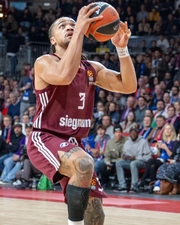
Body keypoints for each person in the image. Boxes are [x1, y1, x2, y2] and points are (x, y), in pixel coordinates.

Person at [27, 7, 137, 225]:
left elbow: (128, 85)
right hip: (46, 137)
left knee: (96, 213)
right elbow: (64, 75)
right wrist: (79, 30)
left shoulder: (90, 69)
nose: (69, 27)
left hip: (74, 144)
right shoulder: (45, 62)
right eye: (63, 26)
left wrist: (122, 50)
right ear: (52, 39)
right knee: (85, 163)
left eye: (72, 24)